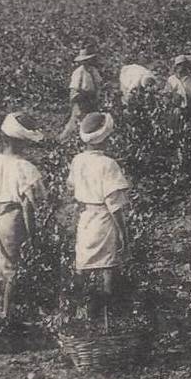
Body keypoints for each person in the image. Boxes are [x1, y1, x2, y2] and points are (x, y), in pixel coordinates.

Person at [0, 113, 46, 322]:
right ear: (24, 143)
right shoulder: (25, 168)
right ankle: (6, 314)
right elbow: (28, 205)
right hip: (13, 218)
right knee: (12, 267)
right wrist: (33, 234)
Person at [67, 112, 132, 323]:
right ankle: (106, 315)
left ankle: (83, 313)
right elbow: (115, 204)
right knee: (107, 267)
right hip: (103, 219)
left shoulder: (78, 160)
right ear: (106, 138)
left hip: (85, 218)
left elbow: (72, 188)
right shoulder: (108, 164)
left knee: (83, 266)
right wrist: (124, 233)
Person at [59, 48, 103, 140]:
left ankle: (86, 139)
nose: (86, 62)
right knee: (77, 120)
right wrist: (76, 104)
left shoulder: (93, 70)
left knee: (90, 121)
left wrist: (97, 97)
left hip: (92, 99)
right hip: (82, 99)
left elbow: (98, 85)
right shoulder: (78, 72)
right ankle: (64, 139)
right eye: (84, 61)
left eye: (88, 60)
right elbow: (74, 90)